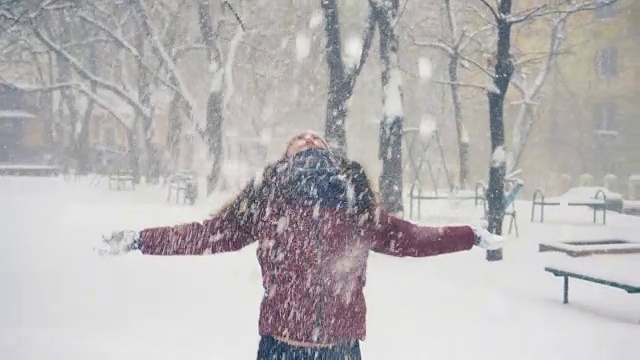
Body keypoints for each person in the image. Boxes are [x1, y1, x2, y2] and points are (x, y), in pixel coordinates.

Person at [100, 130, 502, 360]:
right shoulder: (342, 202)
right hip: (327, 348)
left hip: (294, 346)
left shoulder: (293, 201)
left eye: (313, 137)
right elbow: (205, 235)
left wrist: (469, 236)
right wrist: (142, 239)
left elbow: (413, 239)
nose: (307, 138)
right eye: (300, 138)